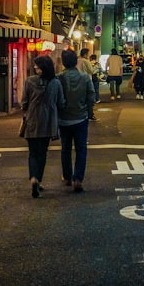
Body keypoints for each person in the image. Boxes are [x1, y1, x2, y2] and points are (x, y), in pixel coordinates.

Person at [20, 54, 65, 198]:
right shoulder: (56, 83)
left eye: (36, 65)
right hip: (48, 122)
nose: (34, 67)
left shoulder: (29, 81)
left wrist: (27, 110)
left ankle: (33, 178)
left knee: (33, 153)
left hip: (32, 121)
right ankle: (38, 180)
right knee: (43, 152)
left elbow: (24, 102)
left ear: (41, 67)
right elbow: (61, 103)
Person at [57, 49, 96, 192]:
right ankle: (78, 178)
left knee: (65, 148)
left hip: (64, 118)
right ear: (76, 61)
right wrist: (89, 111)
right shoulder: (85, 77)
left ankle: (67, 176)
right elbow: (91, 95)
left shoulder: (59, 78)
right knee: (81, 149)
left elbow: (55, 97)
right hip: (81, 117)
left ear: (63, 62)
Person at [77, 48, 99, 116]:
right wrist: (96, 67)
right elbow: (91, 71)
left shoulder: (78, 60)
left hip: (79, 81)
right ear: (85, 54)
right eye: (88, 54)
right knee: (90, 97)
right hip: (87, 81)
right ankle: (90, 114)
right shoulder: (86, 61)